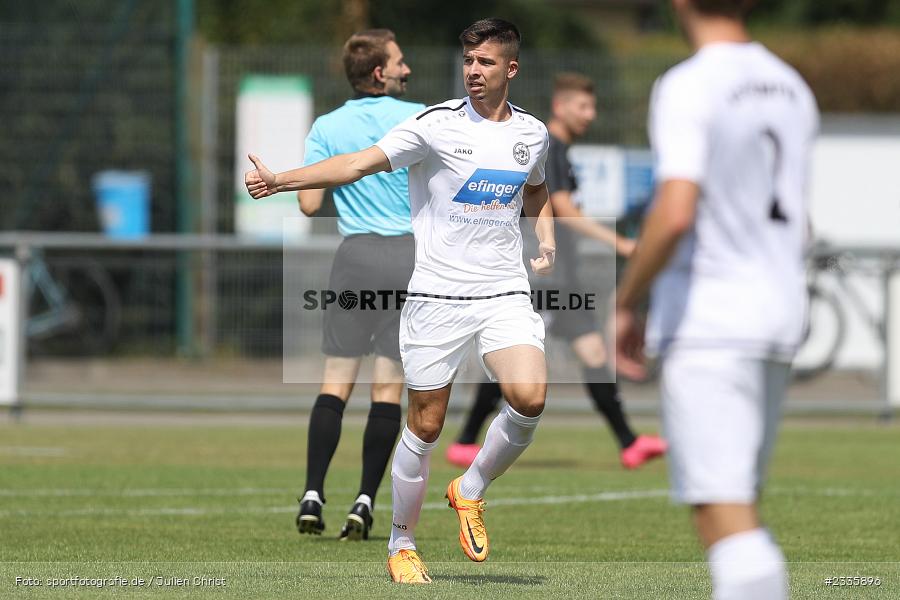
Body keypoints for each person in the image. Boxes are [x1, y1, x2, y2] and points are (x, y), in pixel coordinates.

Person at [245, 18, 554, 585]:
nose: (473, 71)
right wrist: (282, 180)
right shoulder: (434, 124)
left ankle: (470, 488)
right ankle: (401, 542)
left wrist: (547, 236)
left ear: (511, 69)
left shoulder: (532, 133)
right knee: (426, 424)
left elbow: (535, 187)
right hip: (436, 294)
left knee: (530, 397)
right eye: (468, 61)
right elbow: (357, 163)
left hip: (503, 290)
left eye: (485, 62)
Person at [610, 1, 818, 598]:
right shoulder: (791, 86)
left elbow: (675, 211)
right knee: (741, 504)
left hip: (712, 321)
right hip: (778, 312)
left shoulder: (689, 83)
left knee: (723, 516)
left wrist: (627, 301)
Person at [445, 73, 666, 471]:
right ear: (561, 107)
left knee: (594, 353)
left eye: (592, 106)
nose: (591, 114)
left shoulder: (561, 150)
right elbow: (563, 210)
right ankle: (464, 441)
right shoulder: (550, 147)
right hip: (543, 277)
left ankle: (629, 443)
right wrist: (620, 243)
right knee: (514, 359)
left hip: (564, 279)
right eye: (583, 106)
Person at [292, 29, 424, 542]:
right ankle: (365, 501)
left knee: (335, 383)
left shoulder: (327, 125)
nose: (406, 69)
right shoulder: (419, 118)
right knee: (388, 388)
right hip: (409, 259)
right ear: (380, 72)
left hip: (356, 258)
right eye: (400, 61)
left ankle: (312, 493)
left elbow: (308, 204)